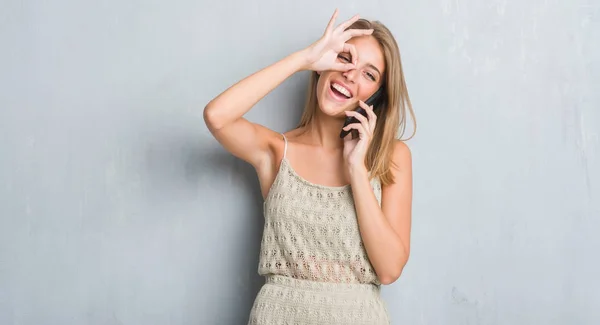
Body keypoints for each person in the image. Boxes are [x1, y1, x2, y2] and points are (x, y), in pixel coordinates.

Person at [203, 9, 415, 325]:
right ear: (324, 65)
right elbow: (217, 116)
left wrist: (356, 169)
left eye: (369, 75)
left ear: (375, 98)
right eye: (345, 58)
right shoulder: (276, 151)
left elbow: (389, 269)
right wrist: (305, 58)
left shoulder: (392, 156)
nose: (351, 75)